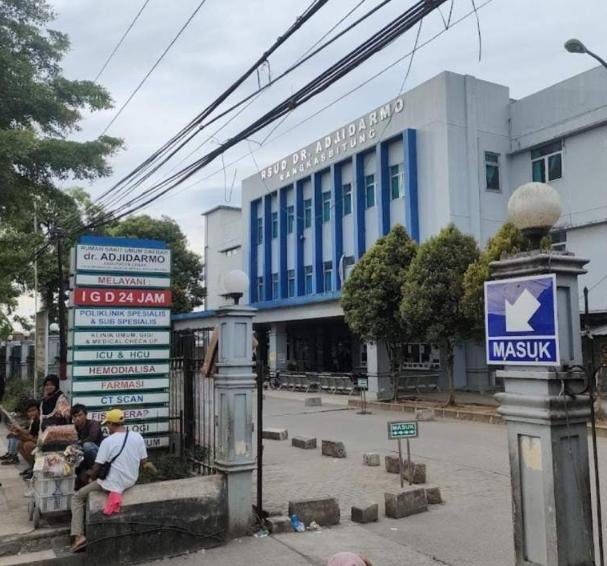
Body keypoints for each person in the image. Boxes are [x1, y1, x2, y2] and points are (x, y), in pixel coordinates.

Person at [70, 408, 151, 553]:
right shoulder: (137, 436)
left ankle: (79, 537)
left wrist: (89, 476)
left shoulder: (108, 441)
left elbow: (96, 468)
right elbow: (143, 461)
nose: (107, 427)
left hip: (112, 483)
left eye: (107, 424)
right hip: (131, 480)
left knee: (77, 497)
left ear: (111, 424)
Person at [1, 400, 40, 477]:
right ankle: (32, 467)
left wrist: (21, 435)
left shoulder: (41, 421)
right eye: (29, 411)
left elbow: (39, 440)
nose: (32, 413)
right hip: (37, 441)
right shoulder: (33, 421)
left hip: (44, 445)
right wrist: (18, 431)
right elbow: (29, 433)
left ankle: (36, 469)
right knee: (19, 444)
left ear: (39, 410)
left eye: (34, 410)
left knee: (28, 445)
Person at [70, 404, 104, 488]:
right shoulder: (73, 428)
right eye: (75, 416)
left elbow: (92, 438)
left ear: (86, 415)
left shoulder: (93, 424)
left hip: (99, 456)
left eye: (80, 415)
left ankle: (95, 470)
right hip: (84, 457)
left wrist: (77, 444)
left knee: (87, 445)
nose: (77, 418)